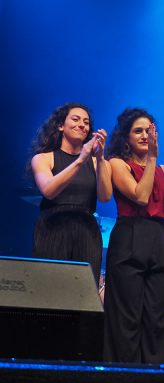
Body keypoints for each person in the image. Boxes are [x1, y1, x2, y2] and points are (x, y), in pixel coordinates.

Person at [103, 108, 164, 363]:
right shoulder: (117, 163)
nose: (145, 135)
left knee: (156, 316)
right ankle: (124, 375)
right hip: (130, 234)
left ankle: (152, 375)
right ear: (126, 136)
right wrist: (151, 158)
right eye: (138, 131)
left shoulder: (163, 168)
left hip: (157, 236)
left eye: (149, 130)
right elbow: (140, 196)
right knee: (127, 315)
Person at [30, 103, 111, 285]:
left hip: (86, 230)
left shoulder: (97, 161)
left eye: (86, 122)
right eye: (75, 119)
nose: (82, 125)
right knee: (49, 288)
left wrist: (99, 157)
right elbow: (49, 190)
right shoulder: (44, 158)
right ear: (61, 125)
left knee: (83, 291)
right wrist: (81, 159)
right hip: (53, 227)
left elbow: (105, 196)